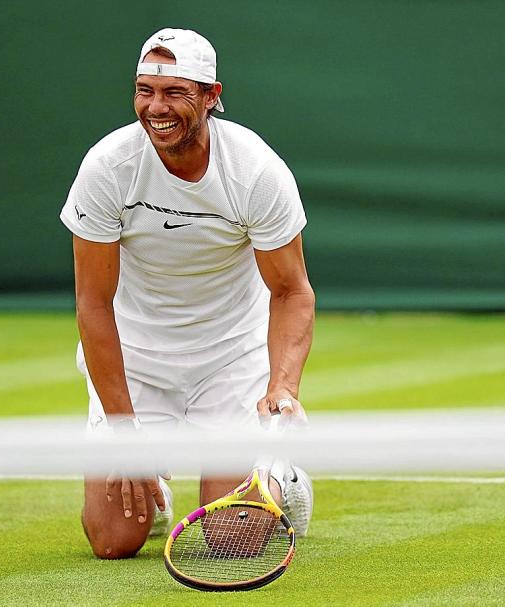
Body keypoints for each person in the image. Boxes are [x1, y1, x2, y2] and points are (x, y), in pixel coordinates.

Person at [60, 28, 315, 559]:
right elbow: (93, 303)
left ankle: (285, 481)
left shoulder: (255, 171)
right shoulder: (108, 167)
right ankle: (152, 504)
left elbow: (291, 292)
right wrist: (125, 433)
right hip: (137, 360)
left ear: (210, 96)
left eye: (174, 91)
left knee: (230, 542)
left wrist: (283, 389)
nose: (156, 107)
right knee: (113, 541)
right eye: (144, 90)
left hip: (230, 360)